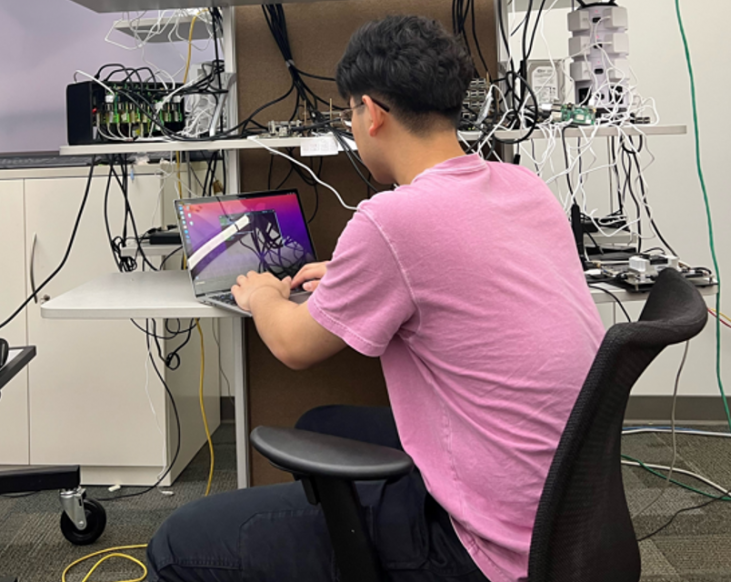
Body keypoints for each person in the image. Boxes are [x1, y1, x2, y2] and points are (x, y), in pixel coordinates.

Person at [147, 14, 604, 582]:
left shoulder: (394, 217)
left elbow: (292, 345)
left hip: (482, 545)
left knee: (175, 544)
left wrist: (263, 293)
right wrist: (353, 274)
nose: (354, 126)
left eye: (351, 114)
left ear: (373, 112)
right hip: (566, 513)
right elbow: (458, 266)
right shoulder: (522, 186)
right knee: (320, 422)